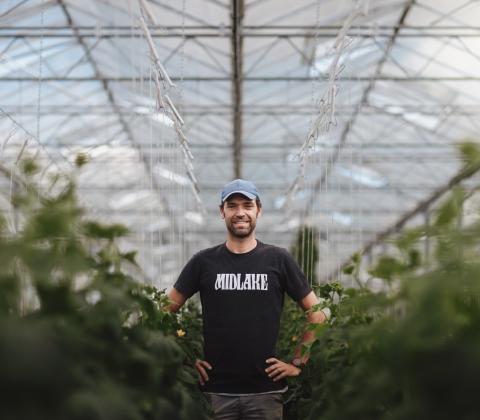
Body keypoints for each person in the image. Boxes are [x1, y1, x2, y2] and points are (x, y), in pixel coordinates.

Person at [167, 179, 329, 420]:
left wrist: (298, 362)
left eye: (247, 205)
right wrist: (185, 359)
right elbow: (163, 312)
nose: (240, 212)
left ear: (258, 210)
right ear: (222, 212)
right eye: (232, 206)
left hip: (266, 392)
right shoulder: (203, 262)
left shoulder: (278, 259)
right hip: (215, 393)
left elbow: (318, 314)